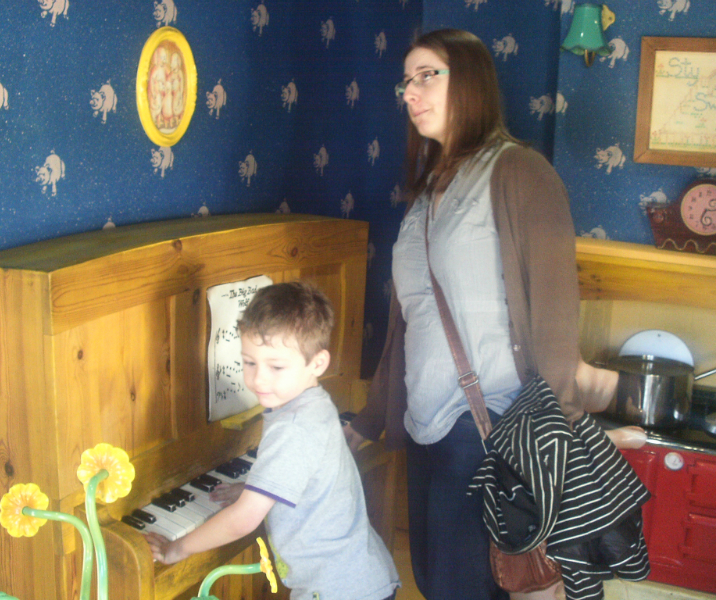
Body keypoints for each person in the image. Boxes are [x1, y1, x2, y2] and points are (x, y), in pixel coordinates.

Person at [341, 28, 582, 600]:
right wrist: (371, 418)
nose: (411, 92)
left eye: (428, 75)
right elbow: (411, 327)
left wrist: (555, 443)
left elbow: (555, 314)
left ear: (470, 81)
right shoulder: (426, 193)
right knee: (436, 579)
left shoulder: (520, 173)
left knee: (469, 586)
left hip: (493, 428)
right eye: (406, 81)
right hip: (429, 429)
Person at [146, 281, 400, 600]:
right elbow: (302, 473)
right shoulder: (313, 402)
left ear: (317, 363)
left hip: (338, 590)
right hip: (359, 576)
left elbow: (243, 520)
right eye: (249, 362)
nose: (258, 378)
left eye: (276, 366)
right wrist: (258, 486)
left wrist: (175, 549)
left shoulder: (293, 425)